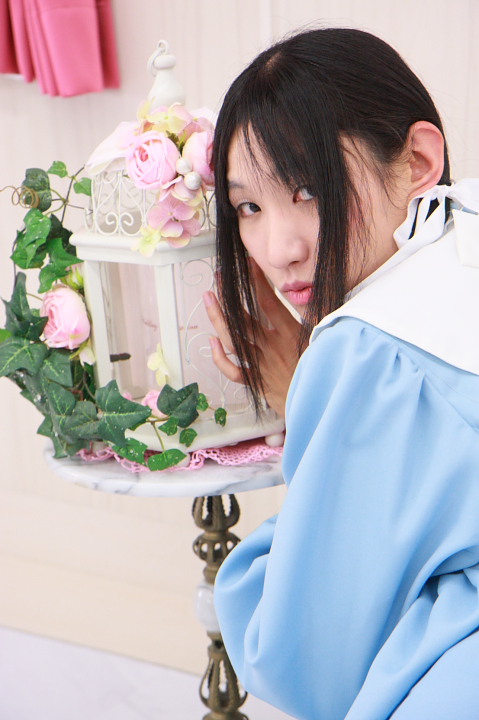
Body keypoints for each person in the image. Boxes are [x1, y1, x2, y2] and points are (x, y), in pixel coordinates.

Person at [204, 27, 479, 720]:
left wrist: (308, 397)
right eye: (248, 207)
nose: (279, 248)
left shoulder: (369, 351)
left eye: (309, 188)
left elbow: (301, 660)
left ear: (417, 161)